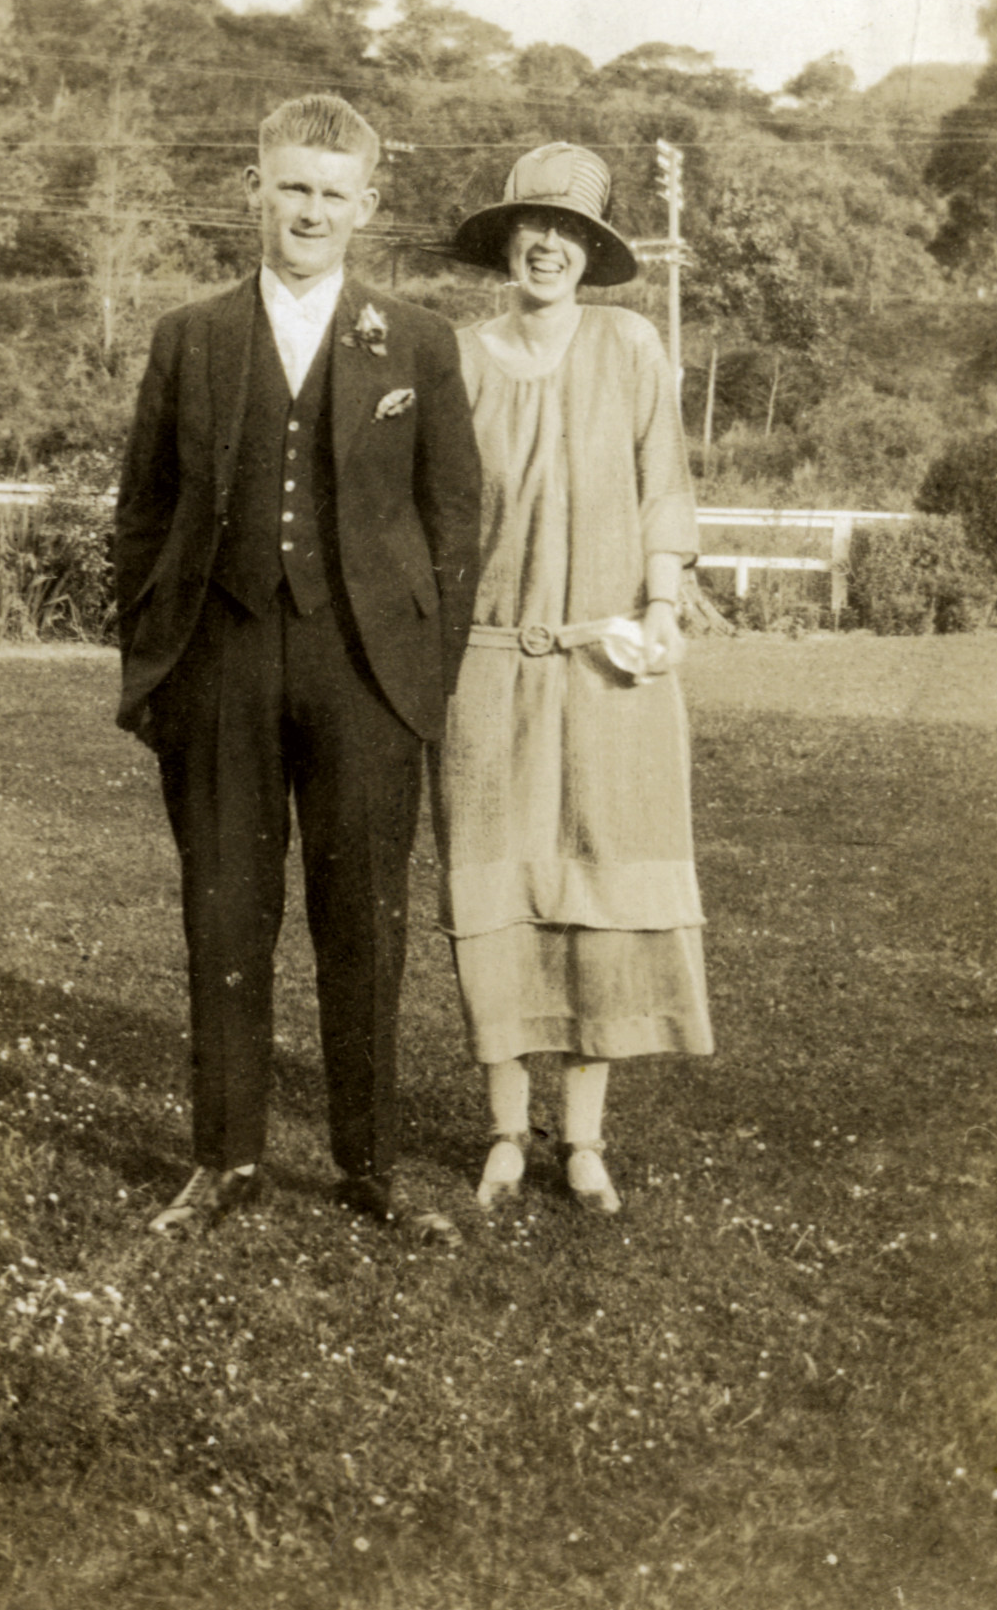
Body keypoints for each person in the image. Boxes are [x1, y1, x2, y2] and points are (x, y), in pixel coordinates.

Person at [115, 93, 481, 1240]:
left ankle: (367, 1166)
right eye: (293, 187)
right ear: (255, 191)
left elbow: (455, 521)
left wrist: (420, 675)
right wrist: (156, 659)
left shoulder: (417, 338)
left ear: (365, 207)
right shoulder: (192, 335)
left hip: (365, 671)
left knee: (362, 920)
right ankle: (224, 1160)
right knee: (224, 914)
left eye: (334, 192)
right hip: (218, 662)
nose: (310, 209)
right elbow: (141, 512)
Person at [431, 142, 713, 1216]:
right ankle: (507, 1129)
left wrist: (656, 606)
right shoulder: (454, 355)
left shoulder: (629, 342)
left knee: (601, 891)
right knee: (493, 892)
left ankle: (583, 1137)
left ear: (591, 252)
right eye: (531, 224)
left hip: (608, 664)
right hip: (486, 666)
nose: (547, 243)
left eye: (571, 231)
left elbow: (661, 486)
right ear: (507, 239)